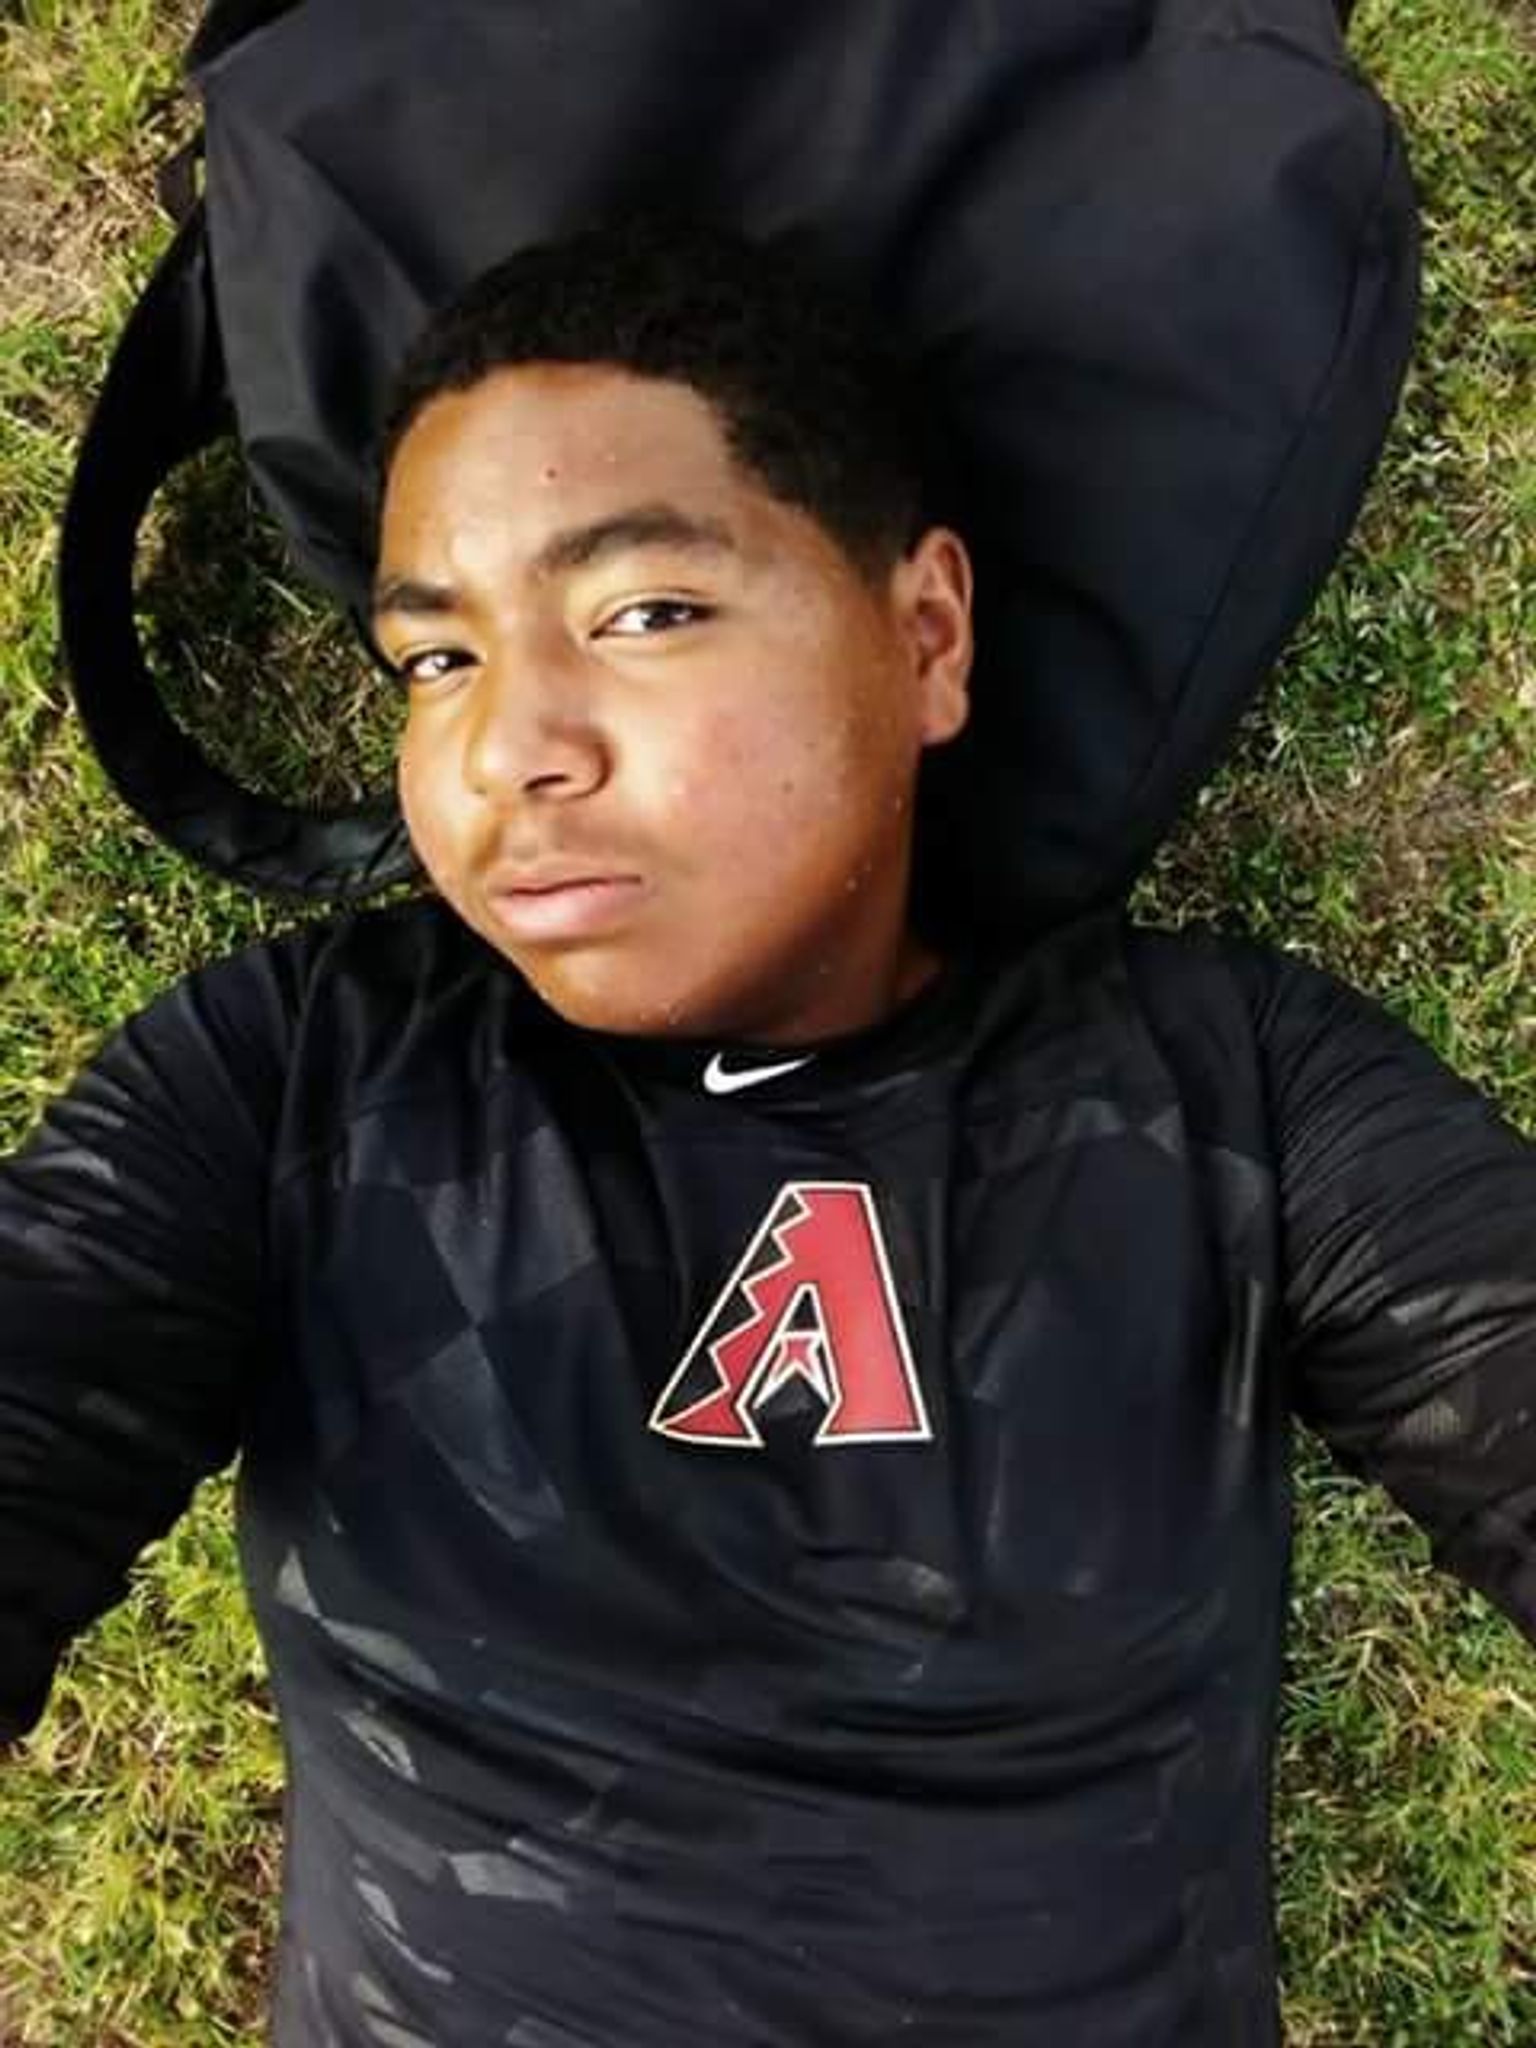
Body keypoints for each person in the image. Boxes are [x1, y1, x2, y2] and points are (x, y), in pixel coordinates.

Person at [1, 216, 1532, 2048]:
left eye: (644, 613)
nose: (508, 752)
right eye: (437, 660)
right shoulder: (295, 1080)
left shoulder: (1226, 1091)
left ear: (926, 634)